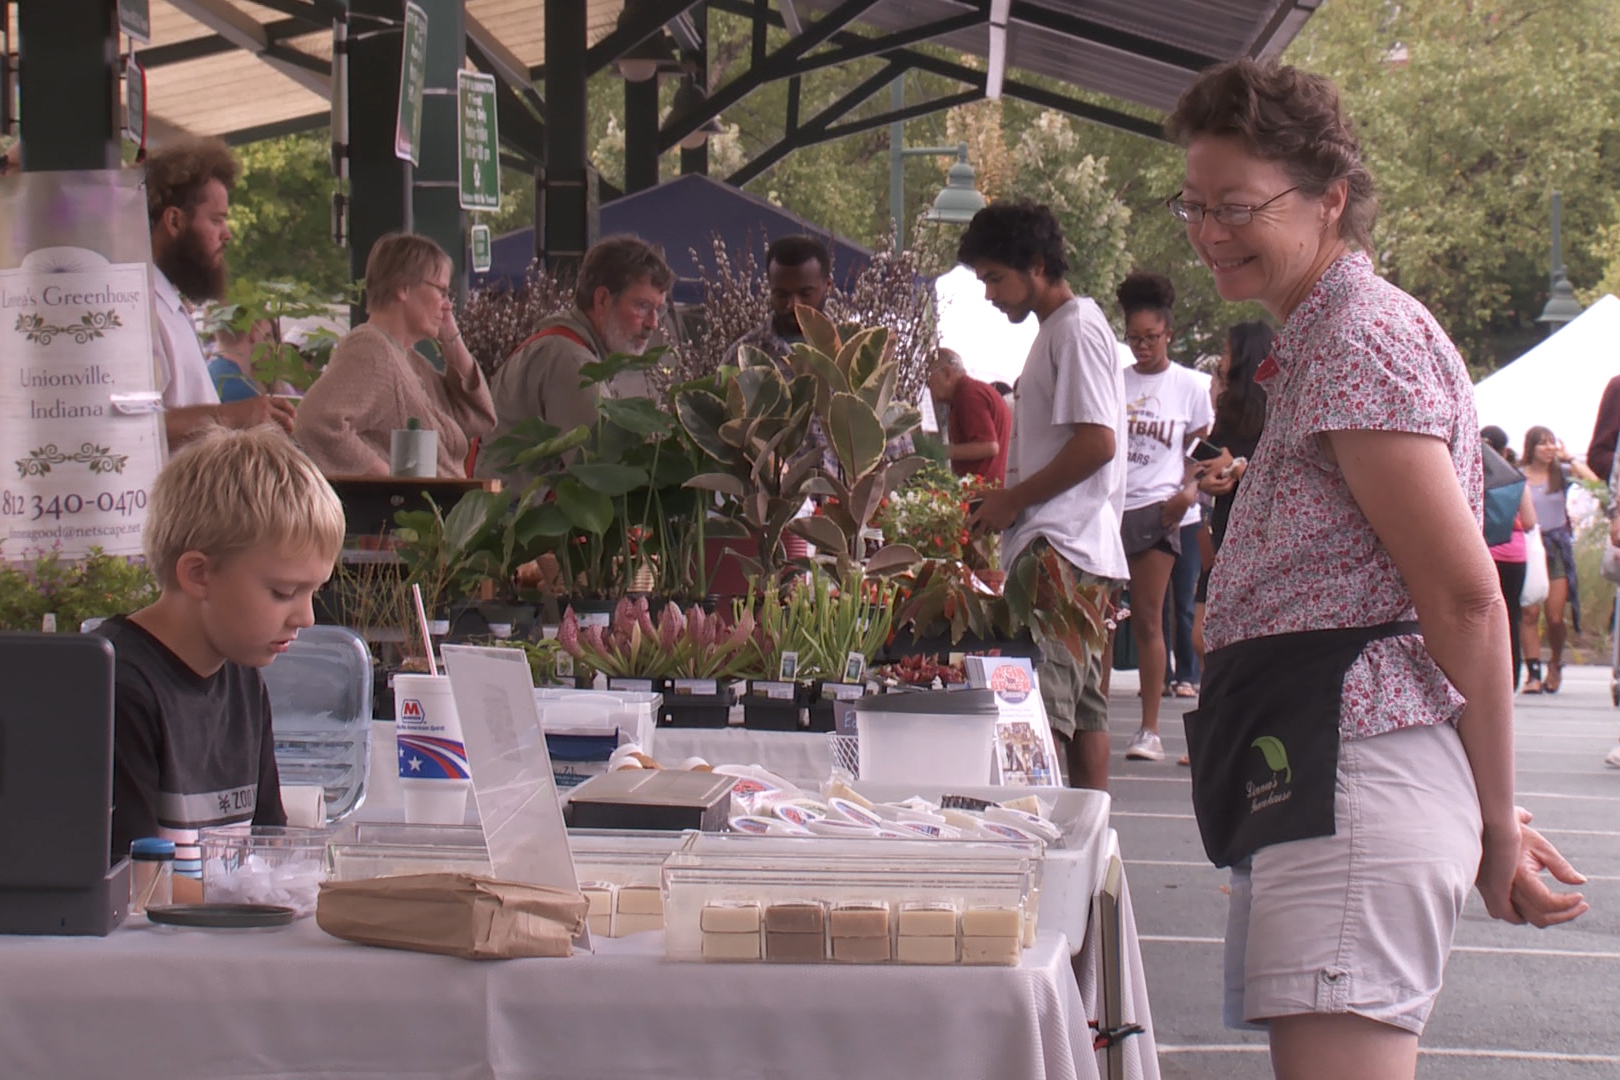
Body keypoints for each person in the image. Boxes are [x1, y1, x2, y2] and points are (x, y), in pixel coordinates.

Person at [1170, 59, 1586, 1080]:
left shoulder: (1357, 337)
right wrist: (1468, 798)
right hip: (1333, 770)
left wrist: (1491, 818)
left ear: (1332, 197)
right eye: (1192, 205)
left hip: (1347, 780)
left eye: (1236, 206)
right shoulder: (1330, 336)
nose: (1209, 230)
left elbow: (1459, 596)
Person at [97, 425, 345, 899]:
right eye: (283, 592)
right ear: (198, 574)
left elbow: (271, 846)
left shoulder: (243, 679)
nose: (307, 617)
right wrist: (264, 898)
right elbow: (131, 885)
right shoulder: (118, 690)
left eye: (315, 591)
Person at [959, 200, 1130, 792]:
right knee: (1084, 711)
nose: (989, 295)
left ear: (1036, 265)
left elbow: (1098, 443)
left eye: (994, 278)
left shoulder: (1076, 330)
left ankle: (1050, 842)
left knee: (1043, 710)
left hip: (1061, 546)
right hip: (1079, 547)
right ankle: (1087, 850)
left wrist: (1014, 501)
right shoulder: (1064, 330)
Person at [295, 233, 496, 478]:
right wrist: (390, 482)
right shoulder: (372, 351)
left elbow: (478, 417)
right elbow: (315, 422)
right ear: (403, 288)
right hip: (413, 514)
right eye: (441, 291)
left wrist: (451, 338)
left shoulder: (410, 360)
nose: (447, 305)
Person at [480, 235, 674, 482]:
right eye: (643, 306)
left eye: (660, 310)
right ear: (602, 299)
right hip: (515, 514)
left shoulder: (559, 345)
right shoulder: (572, 361)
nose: (653, 324)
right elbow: (606, 470)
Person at [1115, 271, 1213, 759]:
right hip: (1113, 507)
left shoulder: (1191, 387)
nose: (1142, 347)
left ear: (1168, 334)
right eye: (1134, 339)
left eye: (1150, 338)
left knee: (1150, 620)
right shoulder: (1116, 381)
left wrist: (1188, 491)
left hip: (1159, 509)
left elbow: (1210, 452)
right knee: (1099, 619)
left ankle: (1149, 728)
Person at [145, 138, 296, 446]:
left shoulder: (167, 302)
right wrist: (233, 416)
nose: (227, 234)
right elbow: (135, 427)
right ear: (174, 220)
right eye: (216, 220)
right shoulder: (140, 309)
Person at [1518, 425, 1597, 693]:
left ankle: (1555, 661)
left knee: (1554, 616)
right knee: (1529, 612)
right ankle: (1533, 672)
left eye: (1552, 443)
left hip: (1557, 548)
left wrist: (1570, 459)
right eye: (1543, 443)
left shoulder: (1560, 475)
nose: (1549, 448)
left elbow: (1595, 483)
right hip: (1530, 546)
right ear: (1531, 448)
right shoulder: (1519, 477)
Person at [1480, 426, 1536, 692]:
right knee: (1511, 614)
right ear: (1505, 450)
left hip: (1483, 552)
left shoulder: (1471, 474)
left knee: (1482, 616)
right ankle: (1511, 676)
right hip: (1514, 554)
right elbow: (1529, 521)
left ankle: (1485, 676)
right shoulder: (1514, 479)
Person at [927, 347, 1012, 483]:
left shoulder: (969, 393)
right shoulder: (973, 391)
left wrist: (940, 451)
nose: (929, 387)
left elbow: (989, 446)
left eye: (928, 379)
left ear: (947, 373)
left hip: (984, 491)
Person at [207, 318, 276, 403]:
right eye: (266, 336)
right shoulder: (244, 393)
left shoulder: (209, 372)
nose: (271, 344)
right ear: (252, 334)